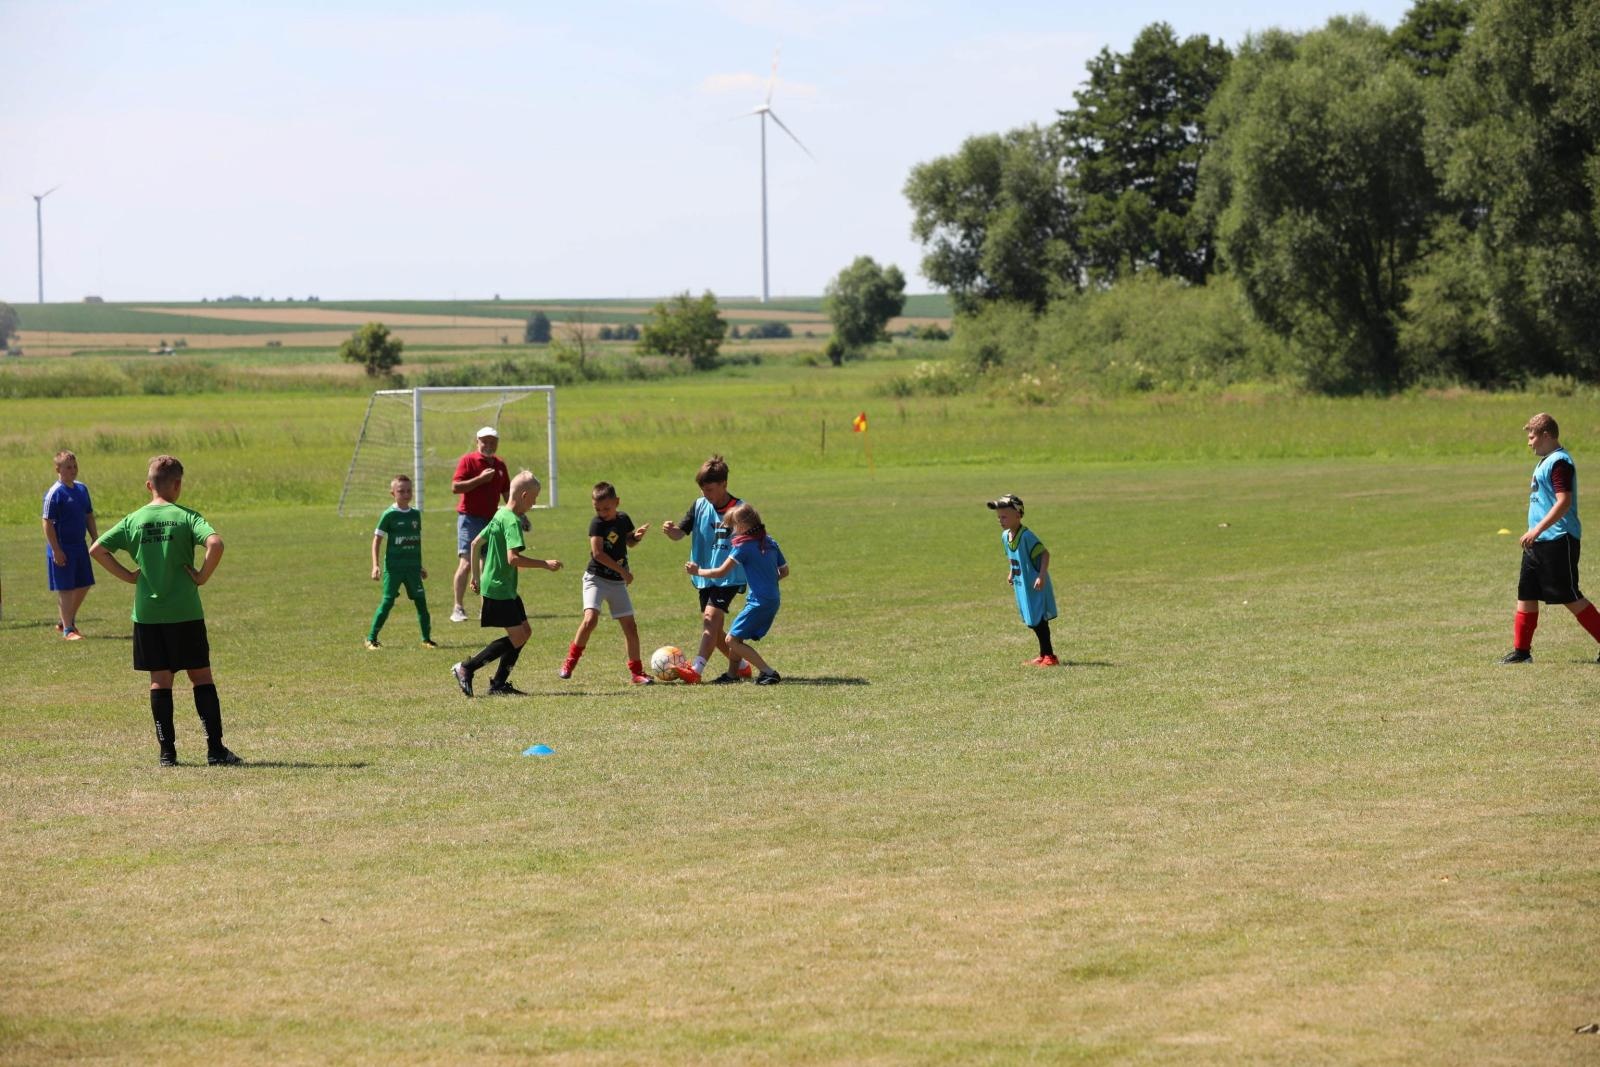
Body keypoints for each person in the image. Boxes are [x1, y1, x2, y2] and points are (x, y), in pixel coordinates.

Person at [88, 455, 242, 766]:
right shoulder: (187, 517)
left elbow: (97, 549)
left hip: (148, 614)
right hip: (185, 611)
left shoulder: (134, 520)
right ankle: (215, 749)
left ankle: (167, 754)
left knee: (160, 681)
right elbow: (216, 544)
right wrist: (201, 576)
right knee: (200, 677)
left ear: (148, 485)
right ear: (178, 484)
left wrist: (129, 576)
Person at [451, 471, 562, 697]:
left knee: (525, 632)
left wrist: (475, 577)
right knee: (518, 636)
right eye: (534, 498)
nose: (535, 502)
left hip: (502, 587)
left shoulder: (500, 514)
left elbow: (475, 543)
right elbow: (514, 558)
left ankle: (499, 684)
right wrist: (545, 564)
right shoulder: (511, 521)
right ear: (523, 495)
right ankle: (467, 668)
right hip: (499, 588)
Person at [1502, 412, 1600, 663]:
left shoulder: (1560, 462)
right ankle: (1522, 653)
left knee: (1569, 595)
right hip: (1538, 542)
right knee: (1526, 593)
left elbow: (1563, 502)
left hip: (1558, 539)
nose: (1529, 442)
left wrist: (1537, 529)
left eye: (1532, 436)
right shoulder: (1546, 460)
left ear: (1546, 435)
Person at [661, 454, 752, 685]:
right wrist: (671, 531)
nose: (706, 495)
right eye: (703, 490)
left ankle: (696, 669)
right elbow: (680, 533)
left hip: (729, 575)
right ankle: (741, 666)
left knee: (711, 619)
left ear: (724, 485)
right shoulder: (699, 505)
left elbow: (753, 543)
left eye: (710, 490)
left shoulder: (740, 510)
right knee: (715, 629)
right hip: (703, 575)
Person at [559, 482, 654, 685]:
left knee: (631, 627)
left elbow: (628, 541)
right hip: (596, 579)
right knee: (590, 620)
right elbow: (598, 554)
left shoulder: (623, 519)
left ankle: (637, 673)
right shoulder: (597, 525)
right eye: (598, 509)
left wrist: (637, 537)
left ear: (617, 502)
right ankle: (569, 663)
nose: (602, 513)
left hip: (617, 583)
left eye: (606, 508)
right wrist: (624, 572)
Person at [685, 503, 788, 685]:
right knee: (736, 635)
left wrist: (697, 571)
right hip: (771, 598)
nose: (732, 531)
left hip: (759, 601)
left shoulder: (744, 547)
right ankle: (732, 675)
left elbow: (720, 573)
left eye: (733, 526)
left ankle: (768, 672)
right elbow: (785, 571)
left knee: (731, 640)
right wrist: (767, 582)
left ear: (742, 525)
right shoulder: (770, 542)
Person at [366, 474, 436, 650]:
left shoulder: (415, 515)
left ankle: (426, 639)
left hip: (412, 568)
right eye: (401, 491)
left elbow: (415, 541)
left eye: (408, 491)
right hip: (394, 567)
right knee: (387, 602)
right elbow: (377, 540)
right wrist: (375, 565)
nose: (406, 494)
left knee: (421, 602)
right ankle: (371, 639)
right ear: (393, 493)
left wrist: (420, 565)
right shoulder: (389, 515)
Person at [987, 494, 1059, 667]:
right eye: (999, 517)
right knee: (1031, 620)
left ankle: (1050, 656)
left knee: (1039, 620)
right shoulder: (1005, 536)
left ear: (1018, 515)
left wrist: (1041, 576)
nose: (1000, 520)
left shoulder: (1026, 536)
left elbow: (1044, 554)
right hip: (1022, 584)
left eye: (1004, 516)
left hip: (1034, 585)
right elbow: (1014, 557)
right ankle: (1043, 655)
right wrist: (1012, 572)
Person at [450, 426, 511, 623]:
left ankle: (486, 608)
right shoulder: (468, 460)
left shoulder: (500, 465)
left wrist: (518, 515)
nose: (488, 445)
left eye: (492, 442)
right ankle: (458, 607)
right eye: (485, 441)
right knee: (467, 563)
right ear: (478, 441)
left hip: (491, 520)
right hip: (470, 518)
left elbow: (507, 494)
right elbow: (456, 487)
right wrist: (480, 479)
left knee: (488, 566)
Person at [42, 449, 97, 640]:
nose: (73, 470)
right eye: (68, 467)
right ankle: (68, 630)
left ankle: (64, 620)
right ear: (58, 469)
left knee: (84, 584)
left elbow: (88, 515)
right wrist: (56, 550)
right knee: (66, 588)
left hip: (79, 545)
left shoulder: (82, 489)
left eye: (75, 466)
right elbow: (47, 522)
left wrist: (95, 537)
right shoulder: (54, 493)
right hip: (62, 547)